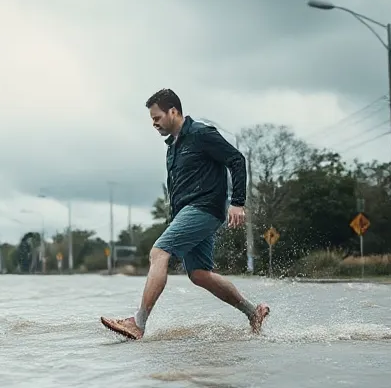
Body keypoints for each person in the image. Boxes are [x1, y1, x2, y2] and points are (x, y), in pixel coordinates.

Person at [100, 88, 270, 340]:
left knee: (159, 253)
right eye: (151, 119)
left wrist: (237, 202)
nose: (154, 123)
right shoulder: (173, 147)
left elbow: (236, 160)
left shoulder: (201, 133)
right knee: (199, 274)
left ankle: (138, 323)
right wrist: (175, 220)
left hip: (204, 208)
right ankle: (252, 312)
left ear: (173, 111)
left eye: (157, 117)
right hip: (188, 213)